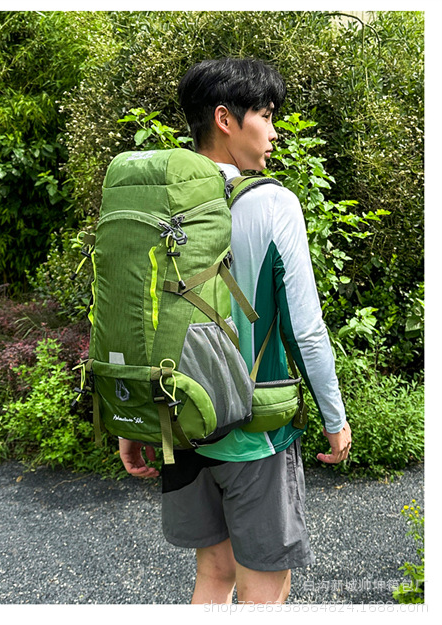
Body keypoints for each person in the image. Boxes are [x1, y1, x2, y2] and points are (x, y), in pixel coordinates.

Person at [119, 57, 352, 605]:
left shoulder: (157, 202)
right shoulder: (273, 203)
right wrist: (334, 417)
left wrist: (133, 416)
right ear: (225, 119)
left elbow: (133, 313)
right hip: (254, 431)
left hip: (179, 420)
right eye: (265, 116)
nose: (273, 133)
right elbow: (305, 329)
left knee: (214, 574)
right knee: (265, 591)